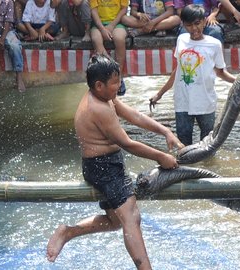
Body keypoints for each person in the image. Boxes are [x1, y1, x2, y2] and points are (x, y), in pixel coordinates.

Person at [46, 54, 183, 268]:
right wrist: (161, 156)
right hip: (103, 168)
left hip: (107, 163)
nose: (119, 87)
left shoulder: (104, 97)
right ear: (99, 85)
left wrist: (164, 130)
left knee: (115, 222)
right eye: (115, 83)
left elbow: (134, 116)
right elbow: (127, 143)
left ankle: (69, 231)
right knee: (131, 217)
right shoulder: (97, 108)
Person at [148, 4, 236, 146]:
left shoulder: (214, 44)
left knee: (208, 144)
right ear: (183, 24)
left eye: (197, 23)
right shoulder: (181, 40)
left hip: (205, 101)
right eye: (189, 25)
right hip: (183, 101)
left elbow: (220, 72)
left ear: (204, 21)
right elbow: (178, 70)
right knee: (182, 145)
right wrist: (160, 94)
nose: (194, 29)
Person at [89, 0, 130, 95]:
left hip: (117, 23)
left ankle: (118, 76)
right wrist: (102, 29)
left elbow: (124, 9)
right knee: (96, 39)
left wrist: (112, 25)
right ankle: (111, 74)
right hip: (98, 24)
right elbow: (93, 11)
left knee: (119, 39)